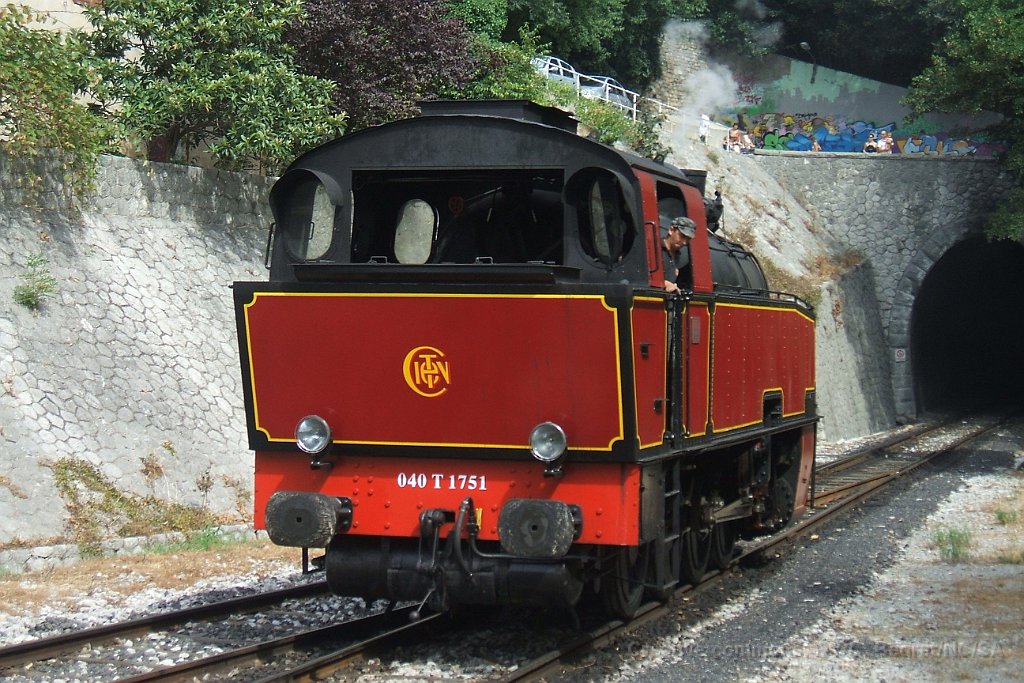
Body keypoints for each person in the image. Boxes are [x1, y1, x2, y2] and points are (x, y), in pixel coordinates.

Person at [662, 216, 696, 293]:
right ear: (671, 230)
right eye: (682, 236)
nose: (684, 242)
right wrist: (665, 284)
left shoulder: (678, 256)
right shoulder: (655, 248)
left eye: (688, 239)